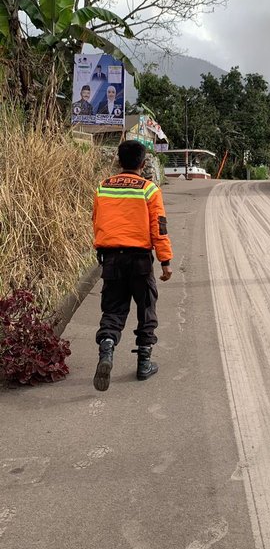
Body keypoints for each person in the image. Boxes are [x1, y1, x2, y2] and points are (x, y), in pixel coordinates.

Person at [92, 140, 173, 391]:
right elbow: (158, 228)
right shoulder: (149, 190)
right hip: (139, 259)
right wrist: (165, 261)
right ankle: (143, 363)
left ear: (118, 160)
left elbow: (96, 222)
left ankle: (106, 350)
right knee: (146, 306)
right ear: (143, 163)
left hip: (112, 258)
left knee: (113, 309)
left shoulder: (102, 188)